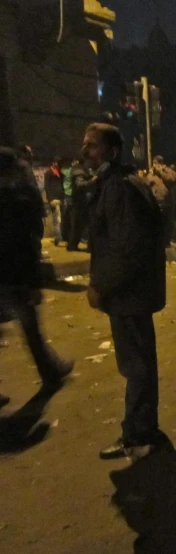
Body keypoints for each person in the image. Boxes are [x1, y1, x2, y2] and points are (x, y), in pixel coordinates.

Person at [81, 123, 168, 462]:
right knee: (140, 363)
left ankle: (139, 436)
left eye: (92, 146)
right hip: (134, 294)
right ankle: (141, 429)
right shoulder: (119, 183)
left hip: (129, 295)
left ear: (111, 152)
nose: (86, 152)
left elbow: (125, 248)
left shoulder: (118, 188)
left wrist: (101, 286)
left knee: (136, 366)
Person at [0, 147, 73, 401]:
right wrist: (33, 281)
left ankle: (51, 369)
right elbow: (24, 242)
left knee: (27, 324)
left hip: (10, 272)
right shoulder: (16, 199)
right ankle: (50, 370)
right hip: (14, 272)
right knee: (29, 323)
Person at [67, 160, 93, 251]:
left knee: (78, 226)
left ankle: (73, 245)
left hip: (80, 202)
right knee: (82, 225)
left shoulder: (78, 170)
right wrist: (93, 180)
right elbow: (80, 185)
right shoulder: (79, 172)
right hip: (81, 202)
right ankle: (74, 245)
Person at [44, 157, 65, 246]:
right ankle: (58, 239)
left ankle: (61, 237)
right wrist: (50, 199)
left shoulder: (59, 172)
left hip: (61, 198)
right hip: (54, 199)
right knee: (57, 220)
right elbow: (47, 187)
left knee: (61, 220)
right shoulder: (49, 172)